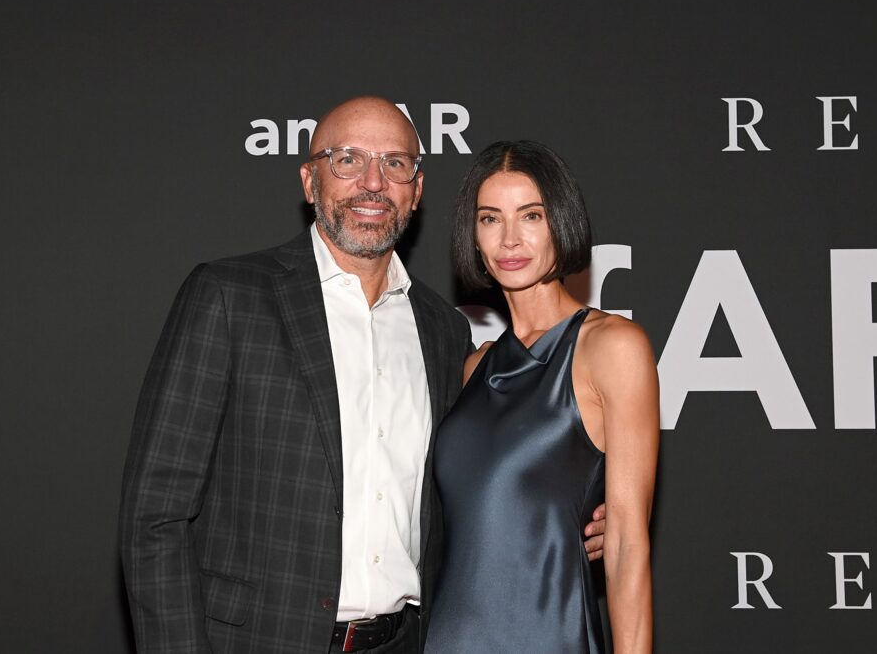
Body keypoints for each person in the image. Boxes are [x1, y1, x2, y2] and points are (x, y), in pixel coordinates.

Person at [118, 98, 606, 653]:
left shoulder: (443, 331)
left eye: (395, 164)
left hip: (406, 642)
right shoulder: (232, 297)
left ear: (416, 191)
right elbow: (155, 516)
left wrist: (578, 515)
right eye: (347, 160)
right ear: (310, 180)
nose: (373, 183)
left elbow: (477, 483)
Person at [425, 141, 659, 654]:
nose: (510, 238)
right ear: (474, 236)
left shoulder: (612, 347)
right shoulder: (474, 367)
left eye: (531, 215)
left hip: (550, 637)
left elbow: (623, 544)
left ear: (562, 222)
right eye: (490, 219)